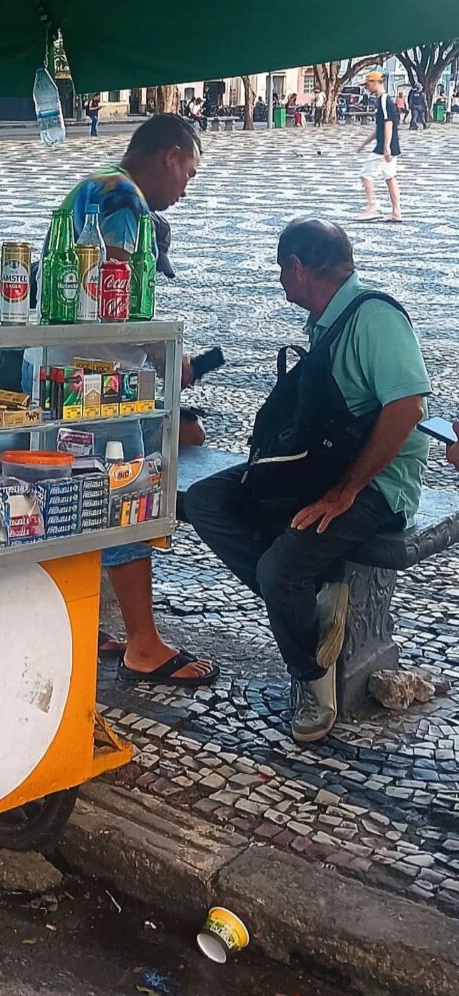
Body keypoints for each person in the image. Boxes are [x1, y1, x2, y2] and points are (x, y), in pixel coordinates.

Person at [184, 219, 429, 743]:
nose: (279, 279)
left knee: (279, 569)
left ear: (296, 266)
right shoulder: (324, 324)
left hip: (377, 485)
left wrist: (345, 493)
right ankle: (312, 597)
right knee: (206, 499)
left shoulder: (373, 318)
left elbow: (408, 407)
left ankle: (312, 677)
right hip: (319, 466)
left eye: (280, 269)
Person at [34, 114, 217, 685]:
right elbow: (113, 302)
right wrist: (169, 359)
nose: (187, 187)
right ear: (168, 155)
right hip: (103, 383)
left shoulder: (88, 190)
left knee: (78, 501)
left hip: (61, 372)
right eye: (189, 171)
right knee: (123, 501)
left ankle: (78, 623)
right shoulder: (125, 202)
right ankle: (144, 644)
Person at [356, 71, 402, 223]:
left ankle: (371, 208)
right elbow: (380, 127)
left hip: (384, 147)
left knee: (365, 174)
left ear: (375, 82)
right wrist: (364, 143)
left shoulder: (384, 100)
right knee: (390, 178)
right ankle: (396, 212)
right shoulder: (383, 100)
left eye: (368, 84)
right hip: (390, 144)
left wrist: (386, 147)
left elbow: (388, 123)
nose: (367, 88)